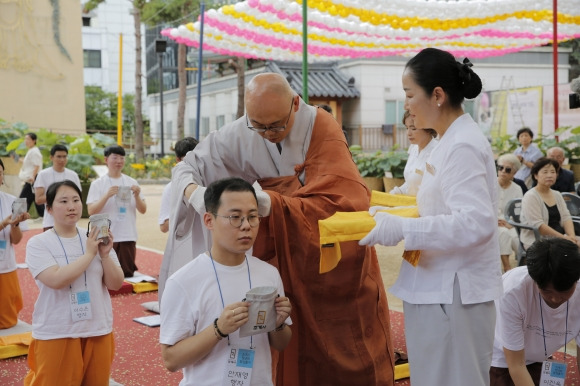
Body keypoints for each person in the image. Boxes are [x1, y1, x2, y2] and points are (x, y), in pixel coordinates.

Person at [164, 73, 395, 384]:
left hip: (332, 263)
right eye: (257, 126)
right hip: (285, 254)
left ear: (296, 105)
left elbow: (347, 201)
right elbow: (189, 167)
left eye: (276, 125)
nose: (267, 134)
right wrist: (195, 193)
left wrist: (270, 203)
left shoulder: (321, 128)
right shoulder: (244, 130)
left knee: (343, 354)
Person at [360, 48, 503, 385]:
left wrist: (403, 227)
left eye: (410, 95)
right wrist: (390, 212)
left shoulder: (462, 145)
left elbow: (476, 222)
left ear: (437, 95)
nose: (406, 105)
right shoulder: (446, 142)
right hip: (436, 286)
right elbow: (433, 203)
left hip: (453, 292)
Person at [160, 177, 292, 385]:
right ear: (209, 221)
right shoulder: (183, 281)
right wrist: (219, 329)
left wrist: (278, 324)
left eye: (253, 217)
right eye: (235, 217)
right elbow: (171, 360)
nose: (246, 226)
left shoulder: (269, 274)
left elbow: (281, 343)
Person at [24, 180, 124, 385]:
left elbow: (116, 283)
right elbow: (56, 279)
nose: (71, 206)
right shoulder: (38, 243)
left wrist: (104, 255)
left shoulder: (95, 238)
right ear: (49, 209)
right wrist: (89, 254)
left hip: (97, 328)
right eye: (63, 201)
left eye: (76, 200)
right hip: (57, 330)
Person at [489, 237, 580, 386]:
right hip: (503, 357)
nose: (556, 299)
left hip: (539, 356)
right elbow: (516, 365)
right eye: (546, 291)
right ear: (535, 280)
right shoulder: (513, 292)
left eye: (563, 292)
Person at [87, 145, 147, 277]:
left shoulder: (131, 182)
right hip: (105, 235)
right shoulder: (98, 184)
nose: (119, 161)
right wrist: (106, 196)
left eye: (121, 158)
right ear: (106, 159)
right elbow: (91, 210)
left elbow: (143, 210)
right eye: (115, 158)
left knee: (127, 273)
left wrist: (137, 196)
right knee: (104, 274)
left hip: (127, 234)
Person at [520, 157, 577, 250]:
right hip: (539, 240)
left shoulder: (557, 194)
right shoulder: (531, 196)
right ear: (536, 175)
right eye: (545, 172)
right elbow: (539, 226)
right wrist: (565, 239)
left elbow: (566, 217)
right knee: (570, 252)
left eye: (553, 172)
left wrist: (572, 237)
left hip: (561, 237)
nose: (550, 175)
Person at [0, 159, 30, 329]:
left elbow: (16, 240)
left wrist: (15, 224)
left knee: (7, 320)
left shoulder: (12, 201)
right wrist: (3, 223)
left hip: (5, 264)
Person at [34, 144, 81, 232]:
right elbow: (38, 199)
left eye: (64, 156)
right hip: (50, 222)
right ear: (51, 157)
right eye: (59, 157)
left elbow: (78, 198)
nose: (62, 160)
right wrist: (58, 196)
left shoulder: (73, 175)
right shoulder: (43, 174)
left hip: (71, 222)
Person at [390, 110, 438, 195]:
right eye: (407, 128)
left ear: (427, 128)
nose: (408, 133)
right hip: (410, 203)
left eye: (413, 128)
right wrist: (397, 191)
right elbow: (410, 184)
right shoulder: (414, 148)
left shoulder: (436, 152)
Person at [159, 137, 199, 233]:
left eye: (195, 159)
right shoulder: (170, 188)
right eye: (187, 160)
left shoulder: (207, 182)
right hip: (182, 243)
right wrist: (186, 212)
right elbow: (163, 227)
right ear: (178, 160)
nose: (192, 164)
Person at [496, 154, 523, 272]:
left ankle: (522, 269)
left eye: (508, 170)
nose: (503, 171)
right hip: (491, 223)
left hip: (510, 223)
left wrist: (511, 224)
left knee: (517, 240)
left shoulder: (517, 188)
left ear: (514, 173)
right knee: (503, 234)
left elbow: (518, 211)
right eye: (500, 168)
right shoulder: (488, 185)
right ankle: (507, 268)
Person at [18, 132, 44, 217]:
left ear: (34, 140)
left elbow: (37, 165)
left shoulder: (34, 152)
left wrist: (33, 177)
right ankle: (19, 216)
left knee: (23, 199)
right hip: (31, 179)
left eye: (28, 139)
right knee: (35, 199)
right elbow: (31, 164)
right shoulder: (31, 151)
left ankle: (18, 217)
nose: (26, 141)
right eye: (25, 139)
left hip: (32, 179)